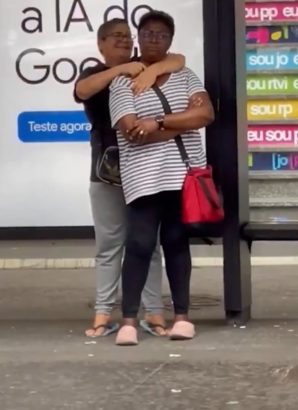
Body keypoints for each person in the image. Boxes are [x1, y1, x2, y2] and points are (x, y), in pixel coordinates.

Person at [74, 18, 187, 338]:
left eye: (127, 36)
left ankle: (153, 313)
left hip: (146, 168)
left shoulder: (145, 66)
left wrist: (148, 70)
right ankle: (102, 313)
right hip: (107, 173)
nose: (123, 40)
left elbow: (179, 60)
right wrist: (121, 70)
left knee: (147, 244)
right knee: (109, 245)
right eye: (115, 36)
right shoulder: (95, 73)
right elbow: (81, 91)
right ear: (101, 44)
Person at [109, 10, 215, 345]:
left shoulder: (185, 76)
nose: (154, 39)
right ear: (139, 37)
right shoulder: (123, 81)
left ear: (170, 40)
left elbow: (206, 113)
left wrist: (155, 123)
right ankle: (128, 321)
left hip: (182, 176)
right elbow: (130, 131)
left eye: (162, 35)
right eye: (148, 33)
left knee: (176, 243)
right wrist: (178, 122)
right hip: (142, 177)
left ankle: (182, 318)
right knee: (139, 245)